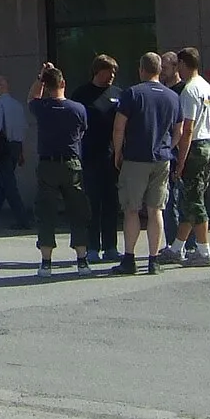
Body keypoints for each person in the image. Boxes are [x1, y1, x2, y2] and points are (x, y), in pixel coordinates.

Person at [109, 52, 182, 275]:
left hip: (135, 158)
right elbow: (179, 130)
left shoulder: (132, 94)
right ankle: (153, 260)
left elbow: (119, 127)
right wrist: (168, 147)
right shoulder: (172, 97)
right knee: (156, 210)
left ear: (141, 69)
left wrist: (118, 153)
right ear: (159, 70)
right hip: (161, 158)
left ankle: (129, 258)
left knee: (131, 209)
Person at [27, 65, 91, 278]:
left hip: (47, 164)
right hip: (72, 162)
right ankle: (82, 261)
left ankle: (46, 263)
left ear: (46, 86)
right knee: (78, 210)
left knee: (46, 212)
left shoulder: (41, 107)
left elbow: (31, 96)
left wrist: (40, 78)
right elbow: (83, 131)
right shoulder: (78, 109)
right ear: (63, 84)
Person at [170, 48, 210, 267]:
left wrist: (181, 160)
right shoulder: (206, 86)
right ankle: (177, 248)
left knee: (194, 200)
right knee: (192, 198)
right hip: (208, 143)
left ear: (182, 63)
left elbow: (187, 129)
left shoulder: (189, 90)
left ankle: (204, 251)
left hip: (196, 146)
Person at [79, 55, 122, 262]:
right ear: (98, 71)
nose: (112, 76)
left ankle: (111, 246)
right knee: (92, 202)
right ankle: (92, 247)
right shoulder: (82, 94)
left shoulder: (118, 94)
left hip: (113, 156)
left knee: (111, 202)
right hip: (90, 155)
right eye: (109, 71)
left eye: (114, 72)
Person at [0, 74, 32, 229]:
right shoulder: (18, 106)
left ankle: (23, 219)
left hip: (3, 147)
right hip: (15, 146)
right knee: (3, 183)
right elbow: (22, 130)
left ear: (1, 86)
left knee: (9, 184)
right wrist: (21, 152)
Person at [157, 50, 187, 248]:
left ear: (176, 67)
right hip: (167, 149)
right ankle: (173, 243)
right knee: (168, 201)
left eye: (165, 68)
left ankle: (183, 244)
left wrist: (175, 145)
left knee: (179, 200)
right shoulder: (162, 91)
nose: (162, 72)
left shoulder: (184, 90)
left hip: (178, 150)